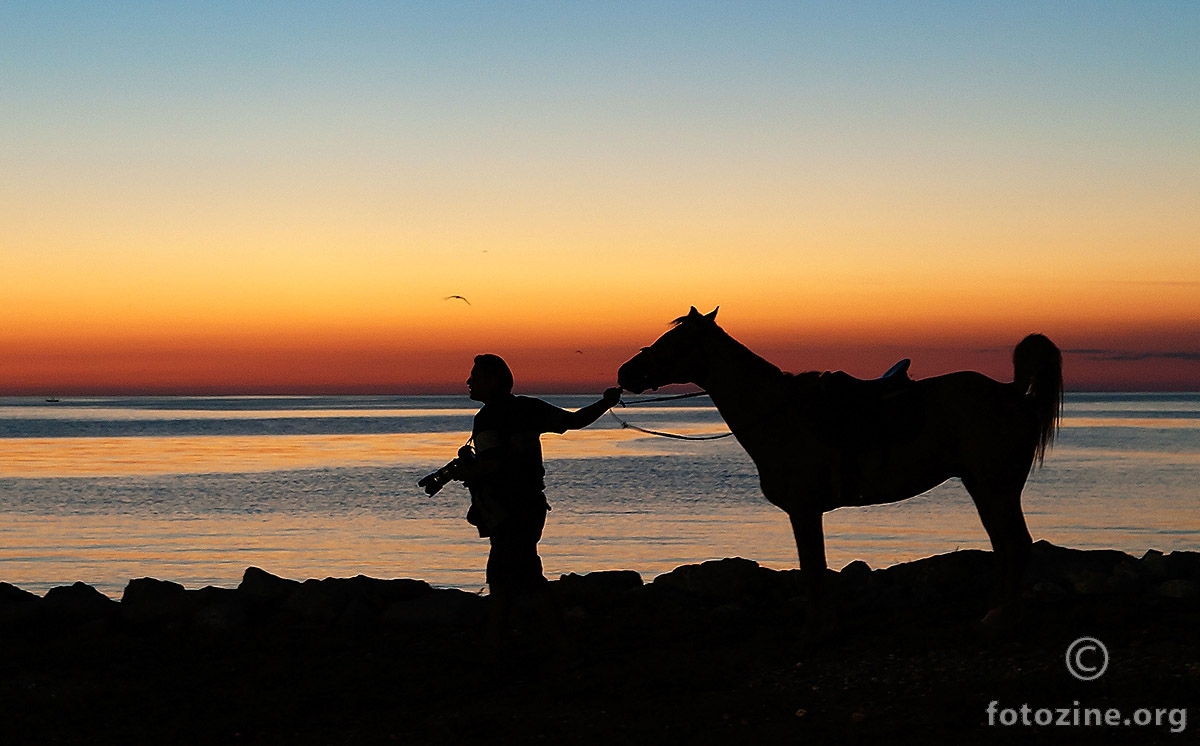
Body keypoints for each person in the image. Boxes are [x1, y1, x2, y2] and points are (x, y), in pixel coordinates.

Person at [454, 353, 621, 653]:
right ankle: (502, 643)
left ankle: (554, 644)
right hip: (531, 507)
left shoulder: (488, 418)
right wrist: (605, 403)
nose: (469, 381)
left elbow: (492, 465)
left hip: (508, 510)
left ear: (492, 381)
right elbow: (573, 420)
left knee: (523, 578)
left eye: (475, 376)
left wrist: (466, 471)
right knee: (506, 576)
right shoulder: (528, 408)